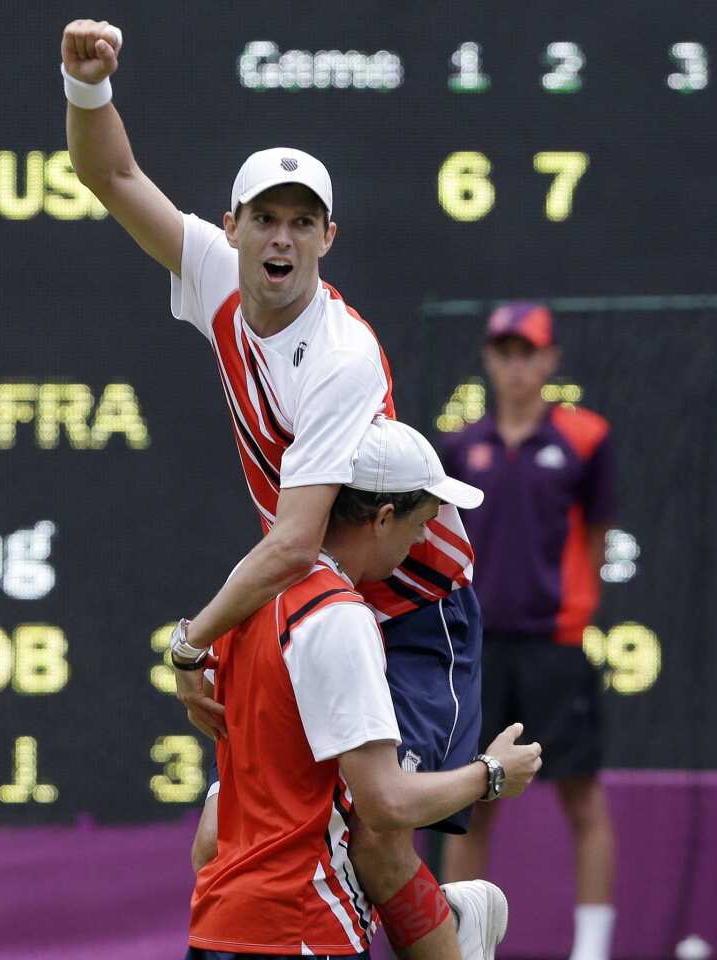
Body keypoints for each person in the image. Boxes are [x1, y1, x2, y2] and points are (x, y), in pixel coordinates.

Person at [61, 20, 485, 957]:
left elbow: (296, 540)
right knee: (225, 837)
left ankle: (454, 935)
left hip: (410, 603)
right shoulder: (215, 277)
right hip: (313, 601)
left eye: (303, 221)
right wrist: (85, 87)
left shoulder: (339, 357)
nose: (282, 238)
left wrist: (190, 644)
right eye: (266, 218)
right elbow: (113, 178)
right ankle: (450, 924)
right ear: (233, 228)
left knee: (372, 835)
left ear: (328, 236)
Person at [188, 416, 543, 959]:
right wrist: (491, 774)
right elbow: (384, 802)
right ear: (381, 518)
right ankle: (449, 921)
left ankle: (446, 920)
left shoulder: (250, 588)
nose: (426, 537)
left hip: (221, 922)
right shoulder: (338, 617)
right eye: (420, 521)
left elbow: (214, 835)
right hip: (303, 928)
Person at [438, 302, 617, 960]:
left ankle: (592, 950)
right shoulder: (459, 446)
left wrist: (573, 609)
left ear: (549, 361)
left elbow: (597, 535)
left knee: (581, 798)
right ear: (490, 359)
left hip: (555, 649)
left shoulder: (585, 438)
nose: (516, 365)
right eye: (505, 352)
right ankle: (456, 946)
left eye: (528, 352)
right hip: (479, 652)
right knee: (469, 797)